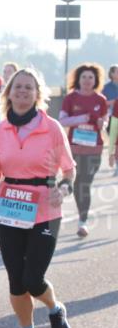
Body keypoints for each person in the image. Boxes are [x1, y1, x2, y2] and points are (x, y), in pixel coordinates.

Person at [0, 68, 75, 328]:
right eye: (17, 87)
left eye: (28, 87)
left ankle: (55, 309)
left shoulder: (51, 127)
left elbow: (68, 169)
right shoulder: (0, 130)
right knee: (16, 279)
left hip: (44, 208)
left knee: (33, 278)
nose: (22, 91)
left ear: (37, 94)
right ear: (8, 93)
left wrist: (64, 189)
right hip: (9, 207)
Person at [58, 63, 109, 238]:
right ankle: (78, 216)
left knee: (84, 183)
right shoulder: (71, 99)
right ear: (78, 80)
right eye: (84, 77)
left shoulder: (100, 99)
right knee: (74, 181)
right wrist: (82, 118)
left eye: (90, 78)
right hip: (74, 147)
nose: (87, 81)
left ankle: (82, 219)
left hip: (94, 148)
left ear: (96, 80)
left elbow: (105, 120)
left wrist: (103, 123)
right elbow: (62, 121)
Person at [101, 65, 117, 176]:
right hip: (112, 117)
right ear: (111, 74)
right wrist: (114, 102)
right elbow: (102, 103)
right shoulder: (106, 88)